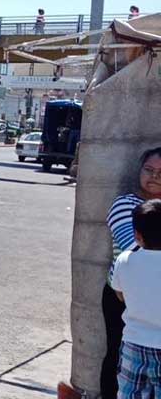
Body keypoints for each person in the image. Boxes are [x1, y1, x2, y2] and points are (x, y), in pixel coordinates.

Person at [100, 147, 161, 398]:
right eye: (149, 170)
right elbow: (136, 247)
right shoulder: (127, 204)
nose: (154, 176)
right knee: (119, 356)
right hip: (124, 296)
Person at [112, 199, 161, 399]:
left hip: (133, 342)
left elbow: (120, 294)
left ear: (137, 236)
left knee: (129, 393)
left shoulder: (124, 260)